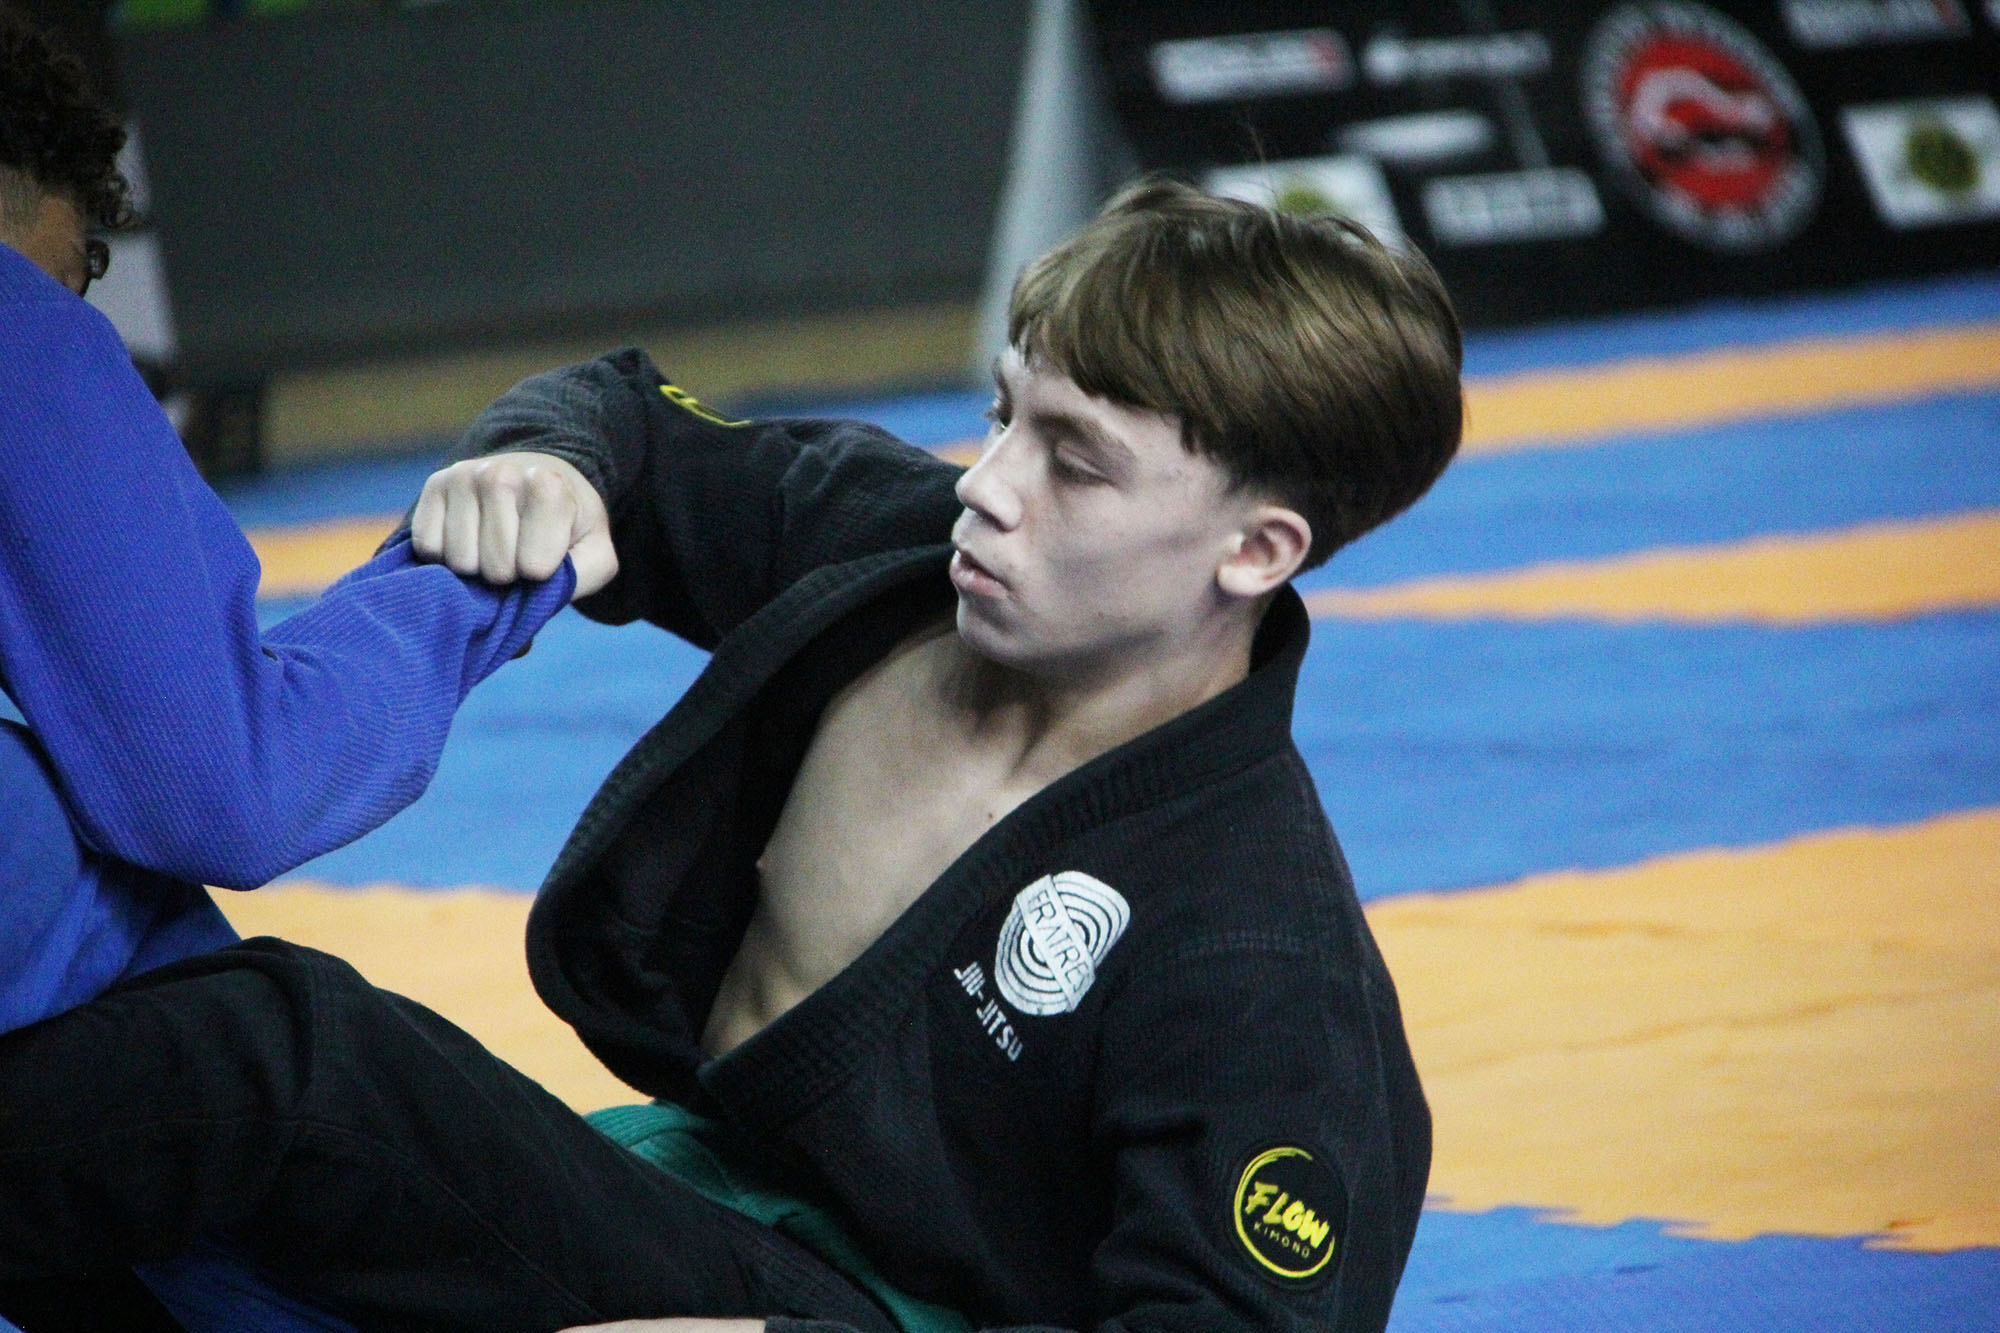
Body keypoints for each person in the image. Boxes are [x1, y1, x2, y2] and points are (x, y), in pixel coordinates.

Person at [0, 178, 1464, 1332]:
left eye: (1074, 461)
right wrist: (548, 458)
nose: (988, 488)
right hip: (683, 1193)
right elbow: (631, 424)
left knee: (285, 1060)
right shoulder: (894, 557)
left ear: (1256, 550)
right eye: (1003, 413)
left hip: (847, 1311)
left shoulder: (1260, 957)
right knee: (169, 1194)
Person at [0, 16, 594, 1331]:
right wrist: (486, 582)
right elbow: (227, 787)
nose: (70, 312)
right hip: (150, 1083)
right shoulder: (11, 325)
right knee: (293, 1054)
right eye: (75, 272)